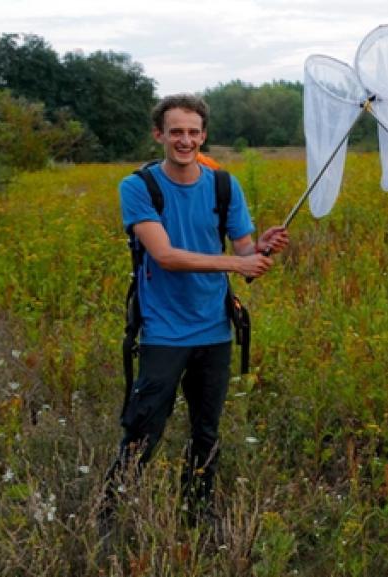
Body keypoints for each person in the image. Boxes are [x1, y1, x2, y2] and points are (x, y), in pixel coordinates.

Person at [105, 94, 289, 527]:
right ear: (159, 135)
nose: (184, 140)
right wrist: (236, 264)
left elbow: (244, 251)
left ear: (204, 136)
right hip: (163, 330)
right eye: (176, 132)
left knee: (206, 431)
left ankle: (198, 512)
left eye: (192, 132)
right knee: (144, 429)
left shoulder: (224, 185)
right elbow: (166, 256)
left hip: (215, 328)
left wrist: (260, 249)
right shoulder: (139, 187)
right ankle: (109, 512)